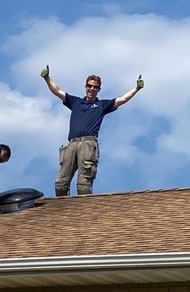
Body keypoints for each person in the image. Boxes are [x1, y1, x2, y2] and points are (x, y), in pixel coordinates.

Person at [40, 65, 143, 196]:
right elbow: (57, 91)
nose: (92, 89)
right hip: (72, 144)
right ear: (85, 86)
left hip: (88, 145)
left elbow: (122, 99)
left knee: (84, 185)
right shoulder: (75, 102)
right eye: (89, 86)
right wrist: (47, 78)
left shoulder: (101, 105)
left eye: (95, 87)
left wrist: (137, 89)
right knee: (61, 183)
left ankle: (82, 213)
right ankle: (63, 212)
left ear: (99, 89)